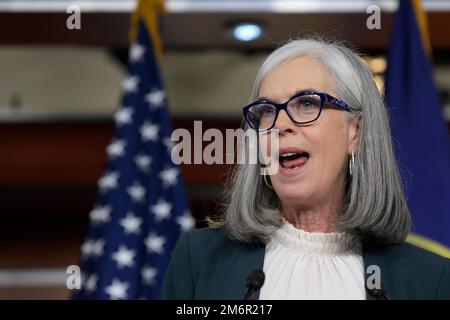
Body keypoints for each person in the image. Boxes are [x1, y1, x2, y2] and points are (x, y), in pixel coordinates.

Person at [161, 37, 450, 300]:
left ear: (356, 132)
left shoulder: (429, 280)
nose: (280, 124)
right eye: (266, 110)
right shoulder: (198, 260)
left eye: (307, 104)